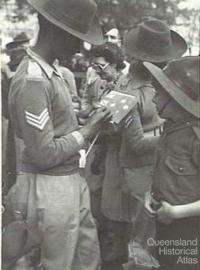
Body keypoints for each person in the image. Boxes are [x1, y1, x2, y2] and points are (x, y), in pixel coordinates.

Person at [4, 0, 111, 270]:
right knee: (58, 262)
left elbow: (57, 126)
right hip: (49, 187)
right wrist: (88, 130)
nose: (80, 47)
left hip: (67, 180)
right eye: (76, 37)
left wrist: (86, 120)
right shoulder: (33, 79)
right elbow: (43, 153)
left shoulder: (51, 72)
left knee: (85, 259)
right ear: (56, 31)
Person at [116, 18, 187, 253]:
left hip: (160, 168)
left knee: (157, 234)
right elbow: (135, 143)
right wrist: (169, 137)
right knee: (142, 236)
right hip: (139, 169)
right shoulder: (127, 93)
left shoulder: (161, 85)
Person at [144, 56, 200, 270]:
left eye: (159, 94)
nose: (153, 100)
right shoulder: (172, 128)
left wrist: (177, 212)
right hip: (165, 225)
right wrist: (151, 194)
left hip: (191, 231)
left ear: (177, 99)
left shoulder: (195, 137)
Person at [1, 32, 30, 196]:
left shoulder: (23, 70)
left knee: (21, 158)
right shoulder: (8, 71)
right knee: (13, 158)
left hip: (22, 119)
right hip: (12, 120)